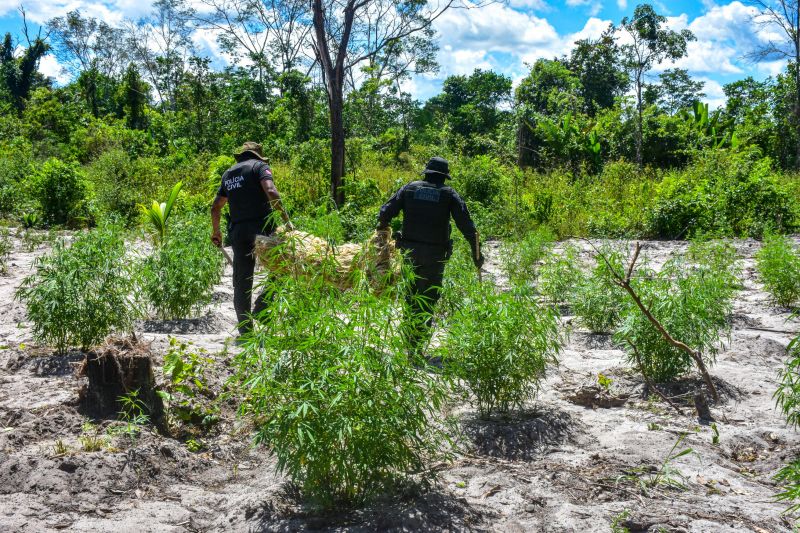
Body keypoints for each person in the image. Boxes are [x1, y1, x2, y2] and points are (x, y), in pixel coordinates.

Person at [376, 156, 483, 355]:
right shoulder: (449, 195)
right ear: (443, 177)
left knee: (411, 297)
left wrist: (381, 231)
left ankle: (410, 344)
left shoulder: (409, 189)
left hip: (409, 253)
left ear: (426, 173)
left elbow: (385, 212)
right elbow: (466, 225)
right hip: (434, 256)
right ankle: (416, 347)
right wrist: (477, 252)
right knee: (428, 298)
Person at [210, 142, 292, 336]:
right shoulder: (259, 167)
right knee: (285, 265)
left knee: (242, 281)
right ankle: (263, 306)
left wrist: (216, 232)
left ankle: (246, 333)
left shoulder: (228, 174)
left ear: (241, 156)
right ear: (257, 155)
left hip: (238, 232)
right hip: (262, 230)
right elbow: (271, 192)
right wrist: (286, 220)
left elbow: (216, 207)